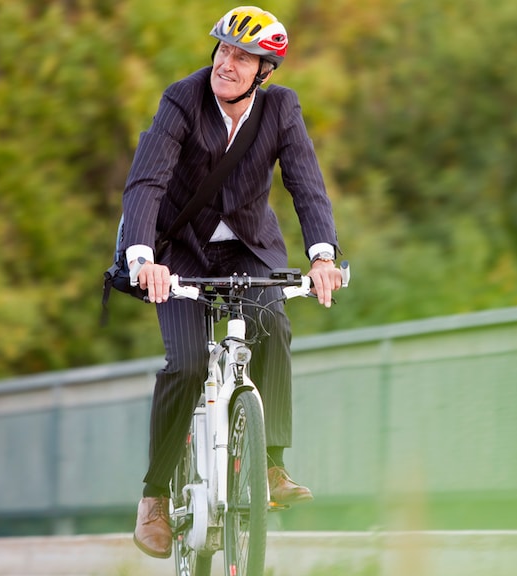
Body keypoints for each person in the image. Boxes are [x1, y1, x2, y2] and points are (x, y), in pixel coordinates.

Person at [118, 6, 343, 559]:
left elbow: (307, 185)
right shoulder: (182, 100)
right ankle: (153, 500)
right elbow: (146, 180)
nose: (228, 63)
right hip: (178, 254)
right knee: (189, 363)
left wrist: (322, 256)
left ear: (266, 71)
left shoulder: (281, 109)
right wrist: (143, 256)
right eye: (224, 50)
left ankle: (270, 466)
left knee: (273, 325)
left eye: (244, 57)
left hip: (248, 248)